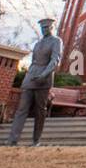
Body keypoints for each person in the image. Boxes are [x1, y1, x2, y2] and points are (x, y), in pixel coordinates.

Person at [6, 18, 63, 146]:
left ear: (52, 27)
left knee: (40, 110)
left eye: (47, 27)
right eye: (43, 28)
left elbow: (55, 60)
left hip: (44, 79)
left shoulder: (56, 41)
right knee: (21, 109)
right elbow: (33, 62)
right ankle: (12, 140)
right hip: (30, 78)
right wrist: (29, 75)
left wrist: (44, 75)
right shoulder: (38, 44)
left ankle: (36, 140)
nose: (44, 30)